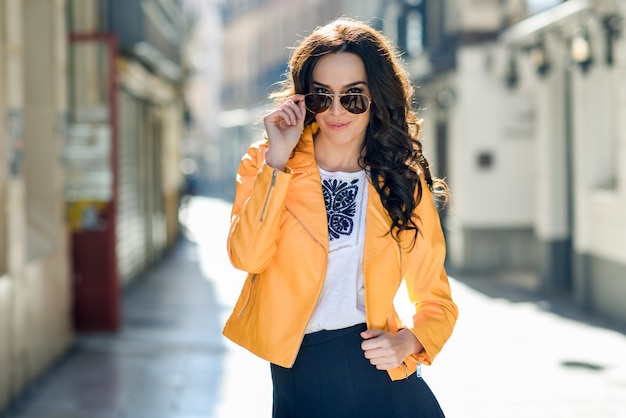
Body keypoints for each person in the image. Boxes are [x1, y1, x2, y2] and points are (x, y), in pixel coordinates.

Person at [223, 17, 458, 418]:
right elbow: (247, 257)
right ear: (304, 98)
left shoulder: (401, 180)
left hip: (377, 373)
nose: (336, 111)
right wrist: (277, 162)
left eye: (353, 97)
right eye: (321, 96)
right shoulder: (266, 163)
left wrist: (412, 341)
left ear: (376, 99)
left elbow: (437, 300)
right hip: (299, 371)